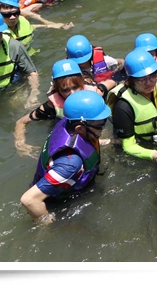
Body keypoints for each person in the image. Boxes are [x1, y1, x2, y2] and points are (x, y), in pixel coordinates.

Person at [20, 90, 111, 224]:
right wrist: (48, 225)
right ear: (80, 128)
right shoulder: (70, 163)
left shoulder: (68, 122)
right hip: (59, 204)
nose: (103, 126)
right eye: (100, 124)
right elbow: (29, 200)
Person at [14, 59, 112, 158]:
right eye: (65, 90)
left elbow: (111, 83)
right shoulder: (51, 106)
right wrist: (21, 143)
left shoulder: (93, 95)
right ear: (57, 89)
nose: (72, 93)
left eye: (75, 87)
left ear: (82, 84)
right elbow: (21, 122)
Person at [108, 48, 157, 166]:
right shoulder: (123, 105)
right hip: (139, 143)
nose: (149, 82)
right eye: (141, 79)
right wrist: (153, 154)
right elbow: (128, 146)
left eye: (152, 76)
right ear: (131, 79)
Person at [0, 0, 71, 57]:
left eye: (16, 13)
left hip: (30, 56)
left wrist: (51, 26)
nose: (13, 17)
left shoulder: (22, 20)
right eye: (6, 14)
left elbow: (30, 27)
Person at [0, 7, 40, 108]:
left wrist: (33, 94)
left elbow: (32, 73)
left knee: (23, 107)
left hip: (12, 89)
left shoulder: (14, 46)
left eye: (0, 33)